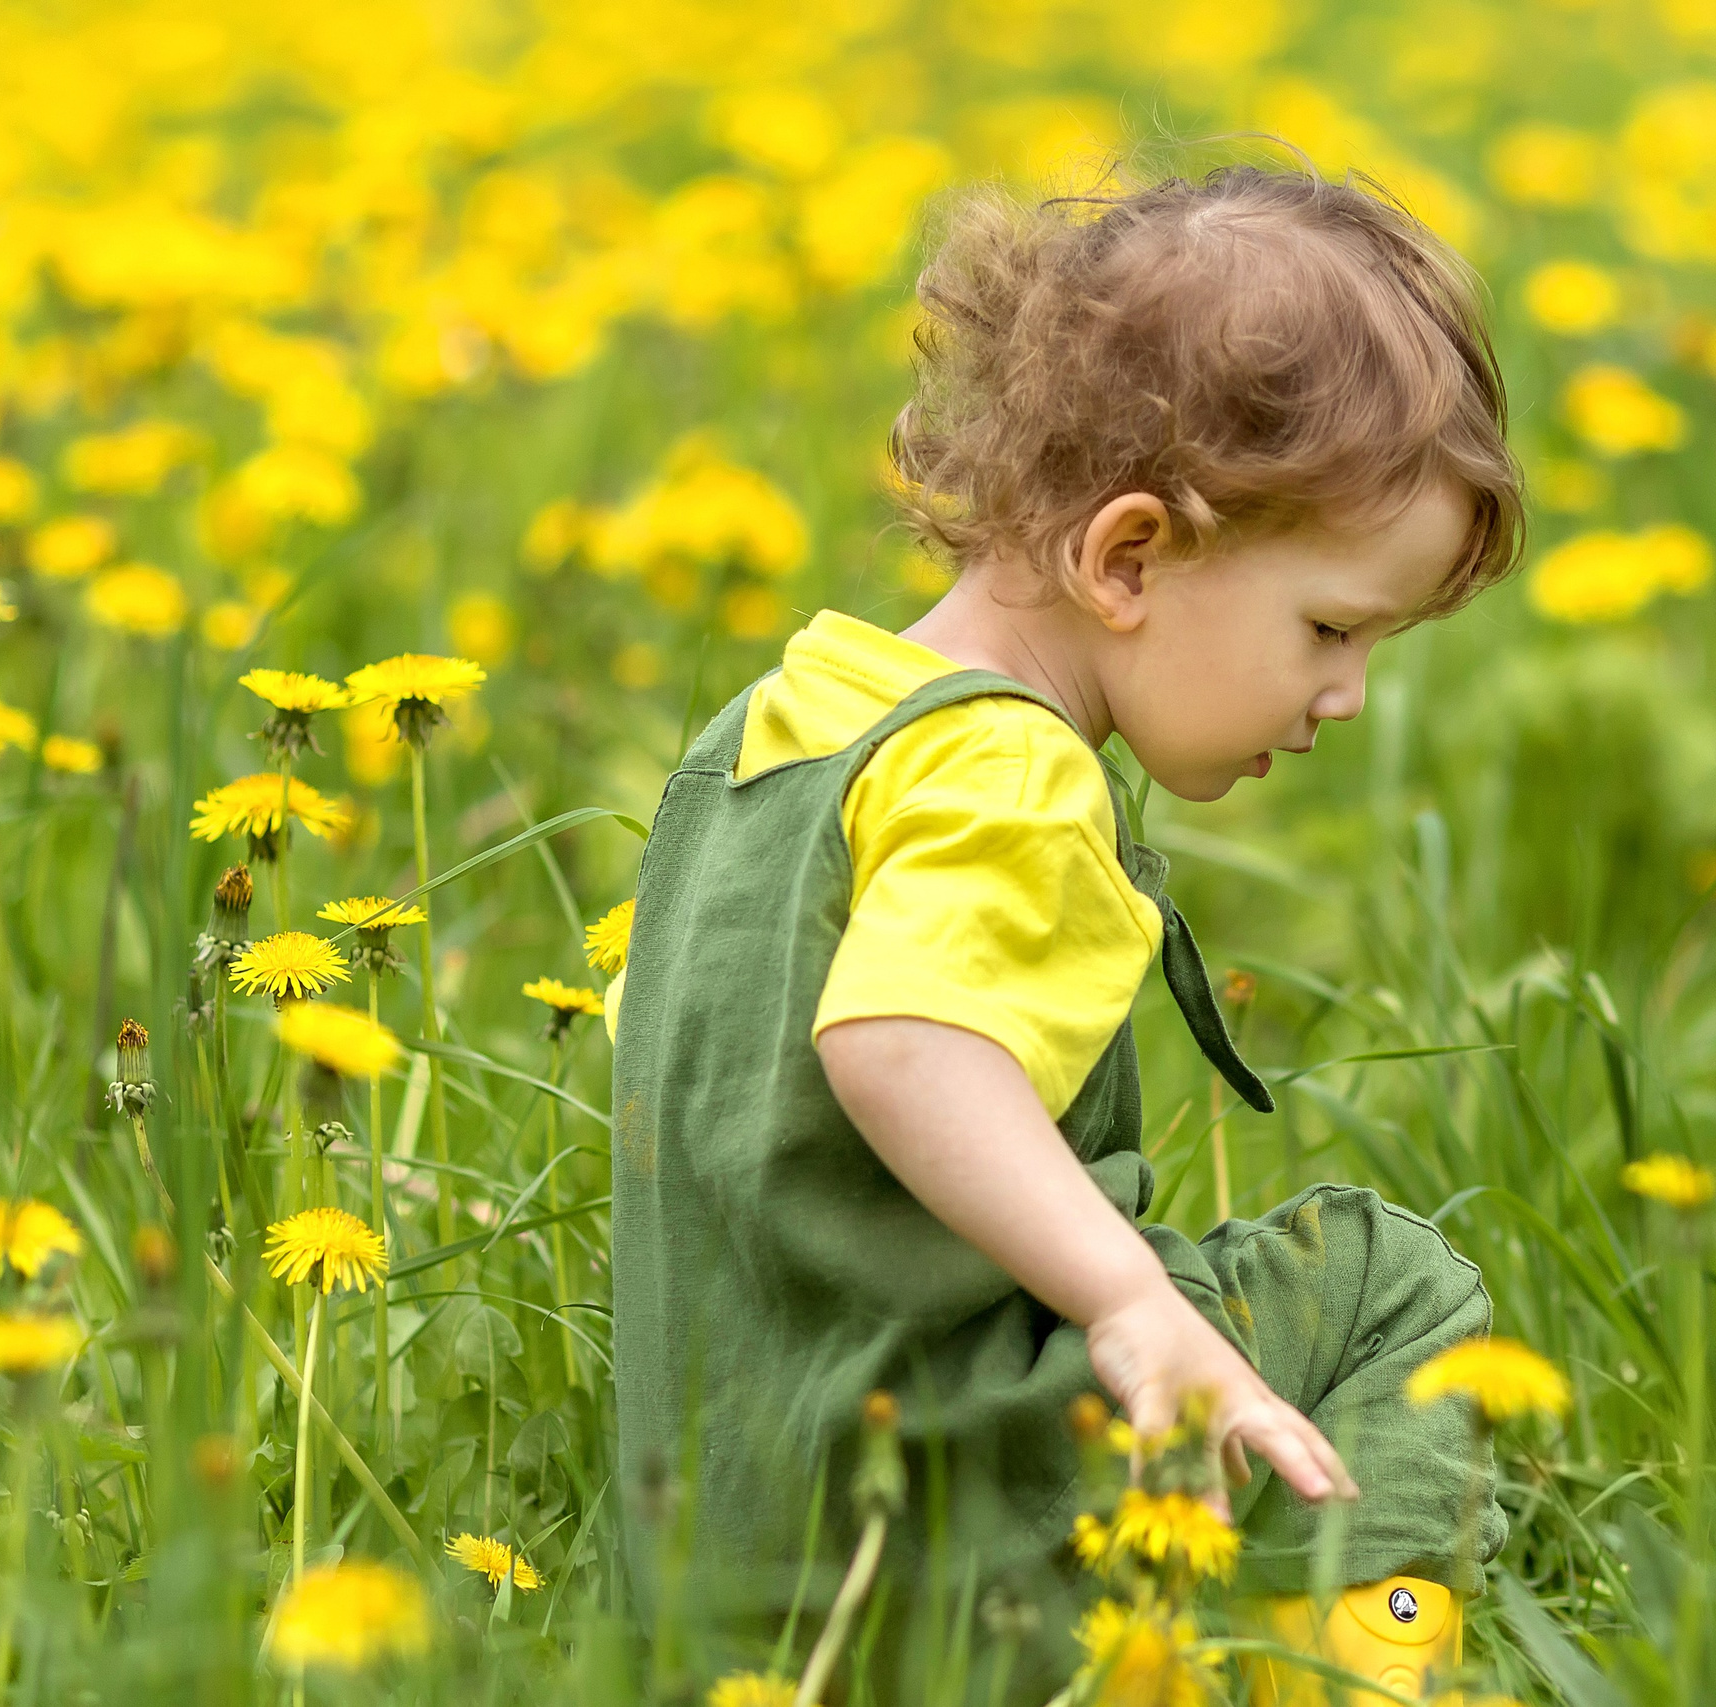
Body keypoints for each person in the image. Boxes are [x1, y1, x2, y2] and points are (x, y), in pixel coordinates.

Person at [606, 157, 1525, 1699]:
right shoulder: (1008, 772)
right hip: (949, 1525)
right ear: (1129, 557)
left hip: (716, 1562)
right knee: (1389, 1281)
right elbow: (902, 1042)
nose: (1348, 695)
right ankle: (1337, 1673)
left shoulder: (773, 736)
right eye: (1334, 628)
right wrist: (1128, 1301)